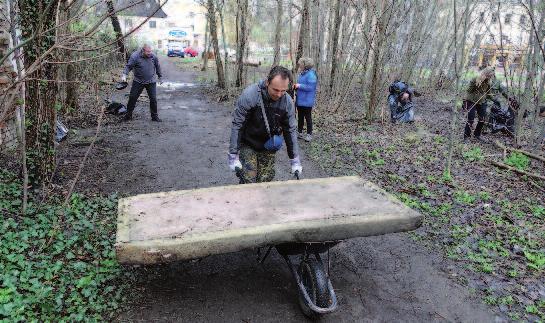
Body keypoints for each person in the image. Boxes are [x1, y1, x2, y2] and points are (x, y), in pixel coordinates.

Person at [228, 66, 302, 183]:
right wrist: (233, 154)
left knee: (265, 181)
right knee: (248, 179)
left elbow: (290, 130)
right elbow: (238, 124)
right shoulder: (250, 96)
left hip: (269, 145)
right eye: (276, 90)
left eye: (283, 91)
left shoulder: (287, 102)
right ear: (267, 82)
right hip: (248, 142)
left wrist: (295, 160)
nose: (279, 94)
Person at [463, 66, 512, 141]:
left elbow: (488, 94)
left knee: (482, 119)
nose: (490, 77)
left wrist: (494, 100)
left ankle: (477, 135)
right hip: (470, 101)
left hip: (481, 102)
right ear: (486, 73)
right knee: (471, 119)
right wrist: (476, 84)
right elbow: (468, 90)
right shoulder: (475, 78)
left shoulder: (488, 82)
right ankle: (466, 137)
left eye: (491, 76)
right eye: (489, 75)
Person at [120, 44, 163, 122]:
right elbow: (128, 66)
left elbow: (157, 66)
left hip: (151, 81)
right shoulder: (135, 56)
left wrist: (160, 77)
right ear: (143, 51)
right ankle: (128, 115)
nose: (150, 53)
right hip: (138, 81)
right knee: (132, 97)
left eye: (150, 51)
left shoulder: (153, 56)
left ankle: (154, 117)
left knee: (153, 99)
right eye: (148, 52)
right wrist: (124, 75)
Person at [294, 57, 318, 142]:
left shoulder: (311, 74)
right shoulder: (302, 74)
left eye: (300, 64)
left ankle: (309, 134)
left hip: (307, 101)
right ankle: (299, 133)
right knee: (300, 117)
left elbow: (310, 87)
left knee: (308, 118)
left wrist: (299, 86)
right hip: (300, 100)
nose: (299, 65)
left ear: (305, 65)